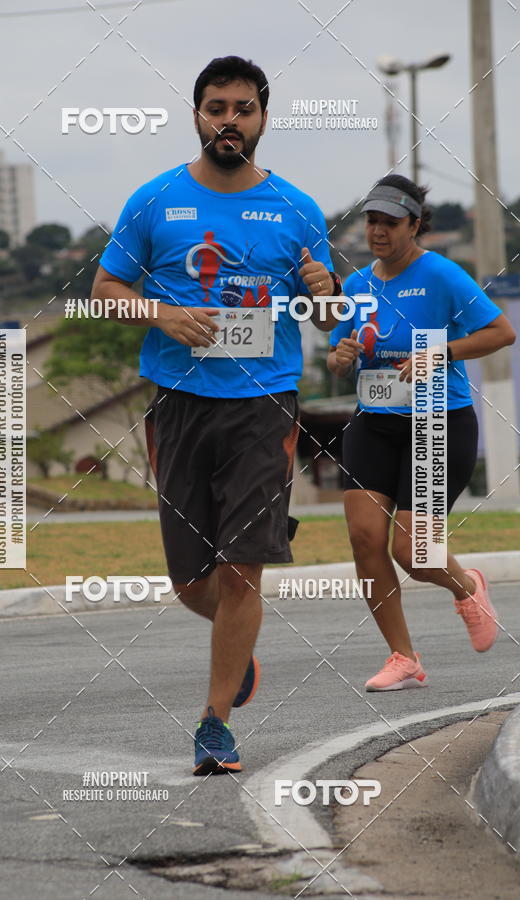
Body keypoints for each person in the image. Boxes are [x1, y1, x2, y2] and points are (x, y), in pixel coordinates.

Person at [90, 56, 343, 772]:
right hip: (177, 402)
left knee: (241, 574)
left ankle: (214, 722)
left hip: (265, 405)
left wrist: (325, 290)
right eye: (215, 107)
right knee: (190, 582)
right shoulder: (154, 200)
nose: (228, 120)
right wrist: (161, 312)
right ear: (196, 114)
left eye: (243, 108)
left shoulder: (297, 210)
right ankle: (240, 657)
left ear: (264, 117)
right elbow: (108, 288)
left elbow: (327, 319)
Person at [327, 173, 516, 692]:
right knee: (365, 538)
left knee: (412, 554)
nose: (378, 230)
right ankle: (402, 656)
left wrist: (443, 351)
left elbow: (502, 331)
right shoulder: (359, 285)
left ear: (415, 224)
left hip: (438, 418)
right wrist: (339, 356)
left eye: (390, 221)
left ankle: (466, 585)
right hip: (374, 421)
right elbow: (342, 351)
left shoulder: (442, 276)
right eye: (371, 220)